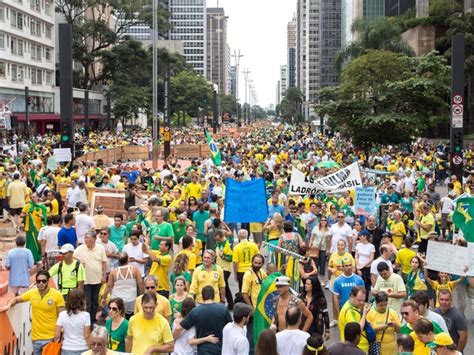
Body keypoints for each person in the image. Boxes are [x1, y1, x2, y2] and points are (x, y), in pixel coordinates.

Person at [1, 270, 65, 354]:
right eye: (38, 281)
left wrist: (59, 334)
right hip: (36, 339)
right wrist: (8, 305)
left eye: (44, 281)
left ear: (48, 281)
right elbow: (16, 299)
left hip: (51, 338)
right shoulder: (32, 293)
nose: (41, 283)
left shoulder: (57, 295)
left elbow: (62, 317)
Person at [175, 285, 233, 355]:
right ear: (214, 296)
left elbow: (178, 328)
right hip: (220, 348)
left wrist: (172, 338)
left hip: (203, 349)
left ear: (202, 296)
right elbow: (231, 328)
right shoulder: (223, 309)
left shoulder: (195, 311)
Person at [73, 230, 107, 324]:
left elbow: (104, 262)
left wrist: (104, 275)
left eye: (88, 238)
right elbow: (72, 255)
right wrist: (79, 260)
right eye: (85, 238)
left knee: (95, 302)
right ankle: (87, 322)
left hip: (97, 279)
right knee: (87, 302)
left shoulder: (100, 248)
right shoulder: (81, 248)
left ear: (94, 239)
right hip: (86, 280)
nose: (86, 240)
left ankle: (93, 320)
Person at [102, 252, 144, 317]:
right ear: (127, 259)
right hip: (130, 300)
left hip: (116, 300)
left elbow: (109, 286)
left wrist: (104, 297)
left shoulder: (113, 272)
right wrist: (142, 296)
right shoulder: (135, 270)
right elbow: (140, 283)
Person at [54, 288, 91, 354]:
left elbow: (57, 335)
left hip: (66, 348)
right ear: (82, 300)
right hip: (82, 347)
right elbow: (87, 335)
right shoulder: (86, 315)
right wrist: (90, 348)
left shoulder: (62, 314)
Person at [338, 286, 371, 353]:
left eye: (363, 300)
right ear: (351, 296)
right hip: (356, 348)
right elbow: (357, 329)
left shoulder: (353, 306)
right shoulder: (349, 311)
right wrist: (364, 314)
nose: (362, 303)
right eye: (359, 300)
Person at [214, 229, 234, 309]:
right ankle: (230, 303)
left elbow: (230, 258)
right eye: (216, 240)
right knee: (225, 286)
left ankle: (222, 303)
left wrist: (223, 257)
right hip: (219, 268)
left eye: (218, 239)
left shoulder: (226, 244)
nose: (217, 241)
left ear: (222, 237)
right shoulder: (219, 243)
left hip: (225, 268)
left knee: (222, 285)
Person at [309, 216, 330, 285]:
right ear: (320, 221)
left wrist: (328, 249)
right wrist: (310, 246)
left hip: (323, 249)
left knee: (322, 264)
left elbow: (329, 241)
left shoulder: (328, 230)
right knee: (315, 263)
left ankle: (322, 279)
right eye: (322, 220)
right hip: (315, 248)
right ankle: (314, 277)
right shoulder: (316, 228)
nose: (323, 221)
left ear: (327, 222)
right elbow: (312, 238)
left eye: (324, 220)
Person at [355, 229, 375, 297]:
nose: (360, 237)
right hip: (359, 267)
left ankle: (365, 298)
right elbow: (356, 256)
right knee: (357, 283)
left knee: (366, 284)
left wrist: (362, 266)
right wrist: (358, 267)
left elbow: (371, 258)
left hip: (367, 267)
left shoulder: (371, 246)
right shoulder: (358, 245)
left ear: (365, 236)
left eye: (361, 236)